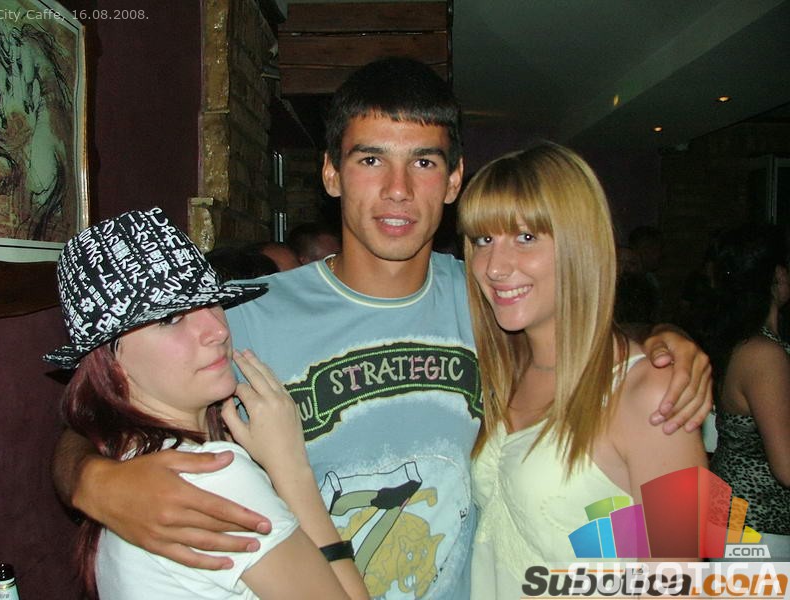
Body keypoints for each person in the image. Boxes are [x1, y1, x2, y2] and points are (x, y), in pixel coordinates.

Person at [52, 58, 712, 599]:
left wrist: (670, 344)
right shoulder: (235, 318)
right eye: (371, 160)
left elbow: (589, 343)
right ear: (331, 173)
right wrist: (93, 481)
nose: (398, 189)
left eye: (423, 162)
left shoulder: (492, 299)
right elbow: (107, 400)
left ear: (453, 180)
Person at [44, 207, 368, 599]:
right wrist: (291, 468)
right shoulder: (212, 476)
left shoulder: (125, 454)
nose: (217, 329)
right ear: (112, 364)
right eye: (171, 318)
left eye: (212, 302)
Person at [459, 144, 707, 598]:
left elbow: (679, 580)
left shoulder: (650, 391)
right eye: (482, 240)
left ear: (580, 245)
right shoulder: (503, 369)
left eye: (525, 237)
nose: (494, 266)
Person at [709, 223, 790, 559]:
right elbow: (786, 466)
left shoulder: (741, 341)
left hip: (739, 525)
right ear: (778, 275)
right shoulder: (763, 353)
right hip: (756, 526)